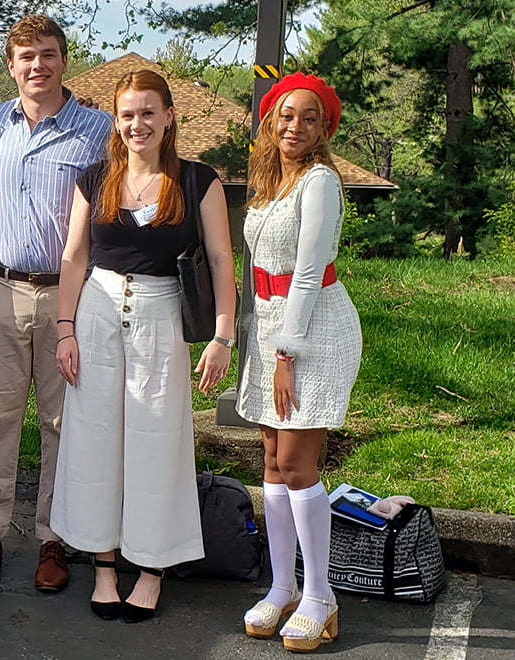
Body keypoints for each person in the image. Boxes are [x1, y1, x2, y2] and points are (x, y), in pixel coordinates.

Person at [49, 70, 237, 622]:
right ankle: (104, 565)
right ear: (116, 118)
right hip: (98, 312)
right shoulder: (94, 178)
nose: (138, 124)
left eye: (149, 112)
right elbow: (74, 258)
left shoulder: (199, 181)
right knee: (94, 439)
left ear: (169, 116)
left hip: (162, 313)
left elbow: (223, 261)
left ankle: (151, 568)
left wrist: (223, 334)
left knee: (159, 441)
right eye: (128, 113)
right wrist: (65, 330)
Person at [0, 14, 111, 591]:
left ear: (63, 60)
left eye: (48, 54)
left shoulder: (97, 128)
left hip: (67, 294)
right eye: (26, 57)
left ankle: (53, 536)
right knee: (0, 418)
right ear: (10, 64)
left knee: (59, 421)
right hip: (1, 288)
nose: (37, 66)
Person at [236, 73, 361, 653]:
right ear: (270, 119)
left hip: (312, 328)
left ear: (324, 128)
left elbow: (307, 275)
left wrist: (287, 353)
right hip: (266, 322)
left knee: (296, 462)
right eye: (286, 115)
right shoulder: (266, 182)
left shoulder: (319, 182)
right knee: (269, 459)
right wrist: (258, 339)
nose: (295, 127)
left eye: (309, 118)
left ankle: (320, 596)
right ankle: (281, 585)